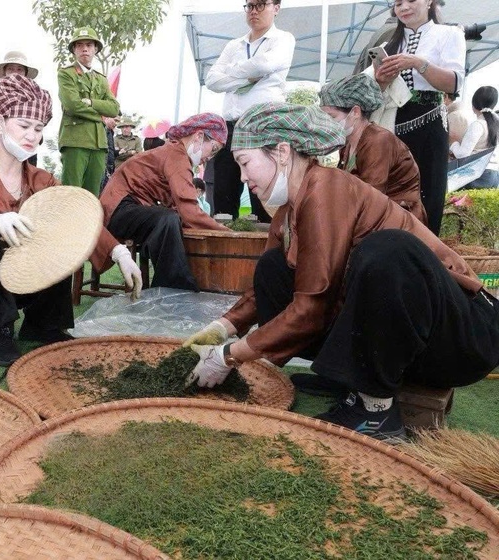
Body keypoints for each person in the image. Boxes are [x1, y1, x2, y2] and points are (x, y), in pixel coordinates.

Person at [183, 102, 499, 442]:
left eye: (245, 164)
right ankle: (349, 376)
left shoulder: (327, 189)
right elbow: (264, 293)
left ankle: (376, 411)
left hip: (460, 335)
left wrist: (229, 356)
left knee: (386, 251)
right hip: (406, 338)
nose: (243, 178)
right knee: (274, 268)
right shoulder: (287, 214)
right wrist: (220, 329)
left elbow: (311, 307)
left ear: (282, 152)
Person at [0, 74, 142, 367]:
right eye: (24, 125)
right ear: (1, 122)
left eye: (39, 128)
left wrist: (119, 252)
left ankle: (45, 324)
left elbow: (76, 217)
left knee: (60, 231)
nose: (32, 135)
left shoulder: (39, 179)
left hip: (21, 283)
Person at [99, 113, 230, 291]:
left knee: (171, 218)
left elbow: (179, 205)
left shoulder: (176, 153)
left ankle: (172, 283)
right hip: (117, 208)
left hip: (131, 207)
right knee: (167, 219)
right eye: (213, 149)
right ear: (199, 136)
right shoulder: (177, 155)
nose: (210, 157)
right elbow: (189, 211)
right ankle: (174, 288)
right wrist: (227, 233)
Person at [373, 0, 465, 234]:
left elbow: (454, 83)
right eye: (397, 3)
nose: (403, 7)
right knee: (393, 195)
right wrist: (382, 79)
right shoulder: (389, 43)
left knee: (428, 194)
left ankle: (425, 257)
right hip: (393, 124)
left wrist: (418, 63)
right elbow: (378, 91)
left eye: (410, 1)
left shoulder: (449, 34)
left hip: (430, 123)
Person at [205, 0, 295, 224]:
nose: (254, 11)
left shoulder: (283, 39)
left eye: (261, 5)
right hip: (230, 128)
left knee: (262, 197)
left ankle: (267, 254)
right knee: (223, 197)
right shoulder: (234, 45)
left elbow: (265, 65)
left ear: (276, 7)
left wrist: (231, 74)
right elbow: (212, 81)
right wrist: (246, 76)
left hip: (263, 126)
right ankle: (224, 251)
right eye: (250, 6)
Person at [319, 73, 427, 224]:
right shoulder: (347, 144)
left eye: (332, 117)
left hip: (399, 222)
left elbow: (371, 196)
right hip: (377, 216)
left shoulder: (378, 141)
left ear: (355, 112)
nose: (327, 124)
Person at [57, 26, 120, 197]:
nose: (85, 48)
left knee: (92, 196)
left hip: (99, 144)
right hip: (75, 140)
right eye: (80, 45)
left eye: (89, 45)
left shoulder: (101, 78)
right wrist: (101, 116)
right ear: (74, 50)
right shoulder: (66, 74)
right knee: (71, 195)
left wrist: (91, 102)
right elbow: (72, 105)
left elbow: (114, 108)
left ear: (95, 49)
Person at [450, 86, 499, 189]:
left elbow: (462, 154)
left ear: (474, 103)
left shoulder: (478, 125)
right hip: (494, 175)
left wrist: (453, 142)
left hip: (477, 174)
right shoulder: (495, 123)